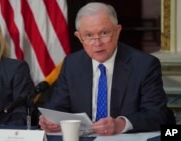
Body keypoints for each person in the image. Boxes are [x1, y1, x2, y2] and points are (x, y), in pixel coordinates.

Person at [39, 2, 176, 136]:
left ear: (117, 31)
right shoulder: (72, 64)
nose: (97, 43)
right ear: (79, 37)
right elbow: (56, 107)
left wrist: (121, 124)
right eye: (89, 35)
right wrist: (49, 120)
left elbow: (157, 114)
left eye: (104, 33)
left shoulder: (144, 65)